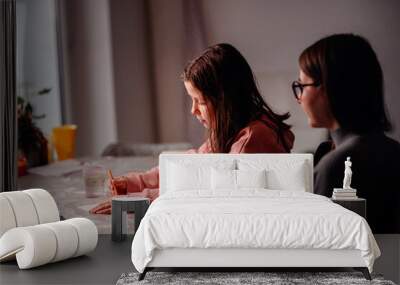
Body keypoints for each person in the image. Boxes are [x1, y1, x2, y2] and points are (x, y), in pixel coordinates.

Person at [90, 43, 295, 214]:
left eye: (201, 102)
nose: (193, 110)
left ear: (225, 101)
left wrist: (139, 199)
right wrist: (133, 182)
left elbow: (204, 192)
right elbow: (190, 165)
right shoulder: (232, 128)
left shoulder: (251, 140)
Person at [293, 33, 400, 233]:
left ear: (327, 89)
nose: (300, 99)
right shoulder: (394, 152)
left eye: (302, 86)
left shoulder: (336, 166)